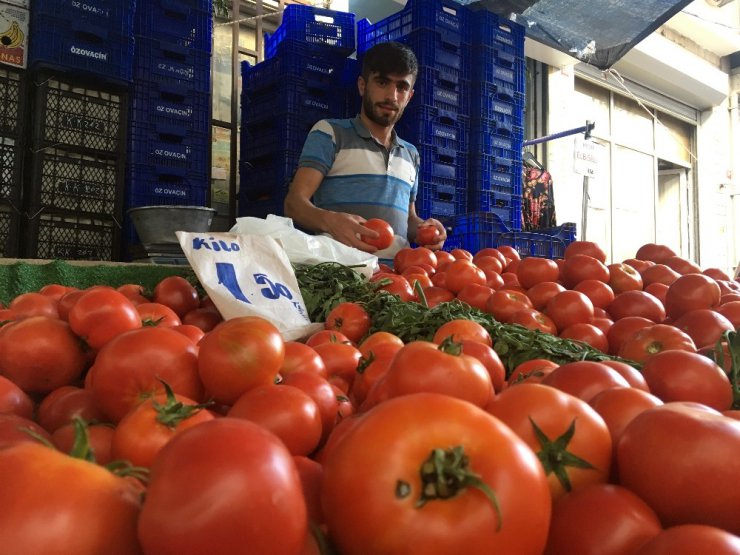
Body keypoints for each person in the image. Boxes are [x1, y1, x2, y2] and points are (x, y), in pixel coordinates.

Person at [283, 41, 447, 258]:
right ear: (362, 86)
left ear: (409, 96)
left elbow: (408, 220)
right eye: (382, 82)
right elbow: (294, 204)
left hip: (399, 281)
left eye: (402, 87)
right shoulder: (330, 133)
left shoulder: (411, 154)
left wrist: (427, 231)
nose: (392, 96)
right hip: (343, 276)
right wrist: (330, 221)